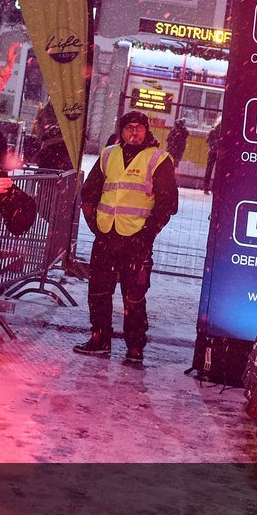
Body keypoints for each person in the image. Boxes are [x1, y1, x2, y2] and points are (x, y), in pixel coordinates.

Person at [75, 110, 178, 366]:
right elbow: (89, 193)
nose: (134, 132)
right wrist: (95, 224)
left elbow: (167, 204)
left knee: (134, 296)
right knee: (99, 291)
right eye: (129, 127)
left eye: (139, 127)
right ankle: (100, 338)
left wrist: (147, 235)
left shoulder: (158, 159)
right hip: (106, 236)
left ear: (146, 131)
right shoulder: (108, 154)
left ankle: (134, 347)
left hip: (136, 241)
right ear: (121, 131)